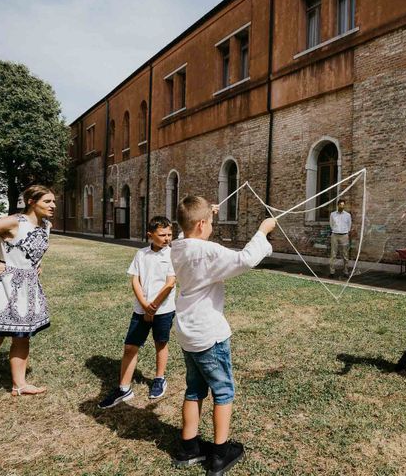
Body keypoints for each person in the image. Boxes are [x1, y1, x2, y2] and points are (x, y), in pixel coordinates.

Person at [170, 195, 276, 474]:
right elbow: (245, 259)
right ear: (202, 224)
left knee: (194, 389)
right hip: (208, 335)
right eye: (211, 223)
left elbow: (188, 230)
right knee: (223, 391)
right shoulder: (208, 252)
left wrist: (206, 214)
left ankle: (189, 448)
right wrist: (263, 231)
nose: (212, 227)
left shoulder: (178, 246)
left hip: (187, 333)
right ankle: (219, 454)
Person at [98, 216, 176, 409]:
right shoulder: (141, 254)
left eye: (169, 234)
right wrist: (144, 305)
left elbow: (170, 283)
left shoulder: (172, 255)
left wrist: (153, 307)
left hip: (164, 310)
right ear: (150, 235)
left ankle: (159, 379)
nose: (167, 238)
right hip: (140, 309)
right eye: (162, 235)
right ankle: (124, 389)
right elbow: (135, 280)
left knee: (161, 343)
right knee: (130, 347)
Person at [0, 185, 55, 395]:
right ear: (31, 201)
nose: (53, 205)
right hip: (5, 285)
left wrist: (36, 264)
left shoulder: (47, 225)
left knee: (22, 337)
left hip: (29, 288)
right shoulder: (14, 222)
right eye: (47, 201)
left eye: (53, 201)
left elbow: (32, 251)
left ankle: (19, 385)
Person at [329, 199, 352, 277]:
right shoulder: (333, 214)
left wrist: (345, 232)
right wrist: (335, 230)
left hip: (344, 235)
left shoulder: (348, 215)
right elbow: (331, 224)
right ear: (337, 205)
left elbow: (349, 225)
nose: (342, 206)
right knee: (333, 254)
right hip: (335, 235)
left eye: (343, 205)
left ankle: (346, 271)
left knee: (345, 254)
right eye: (340, 205)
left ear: (344, 206)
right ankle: (332, 272)